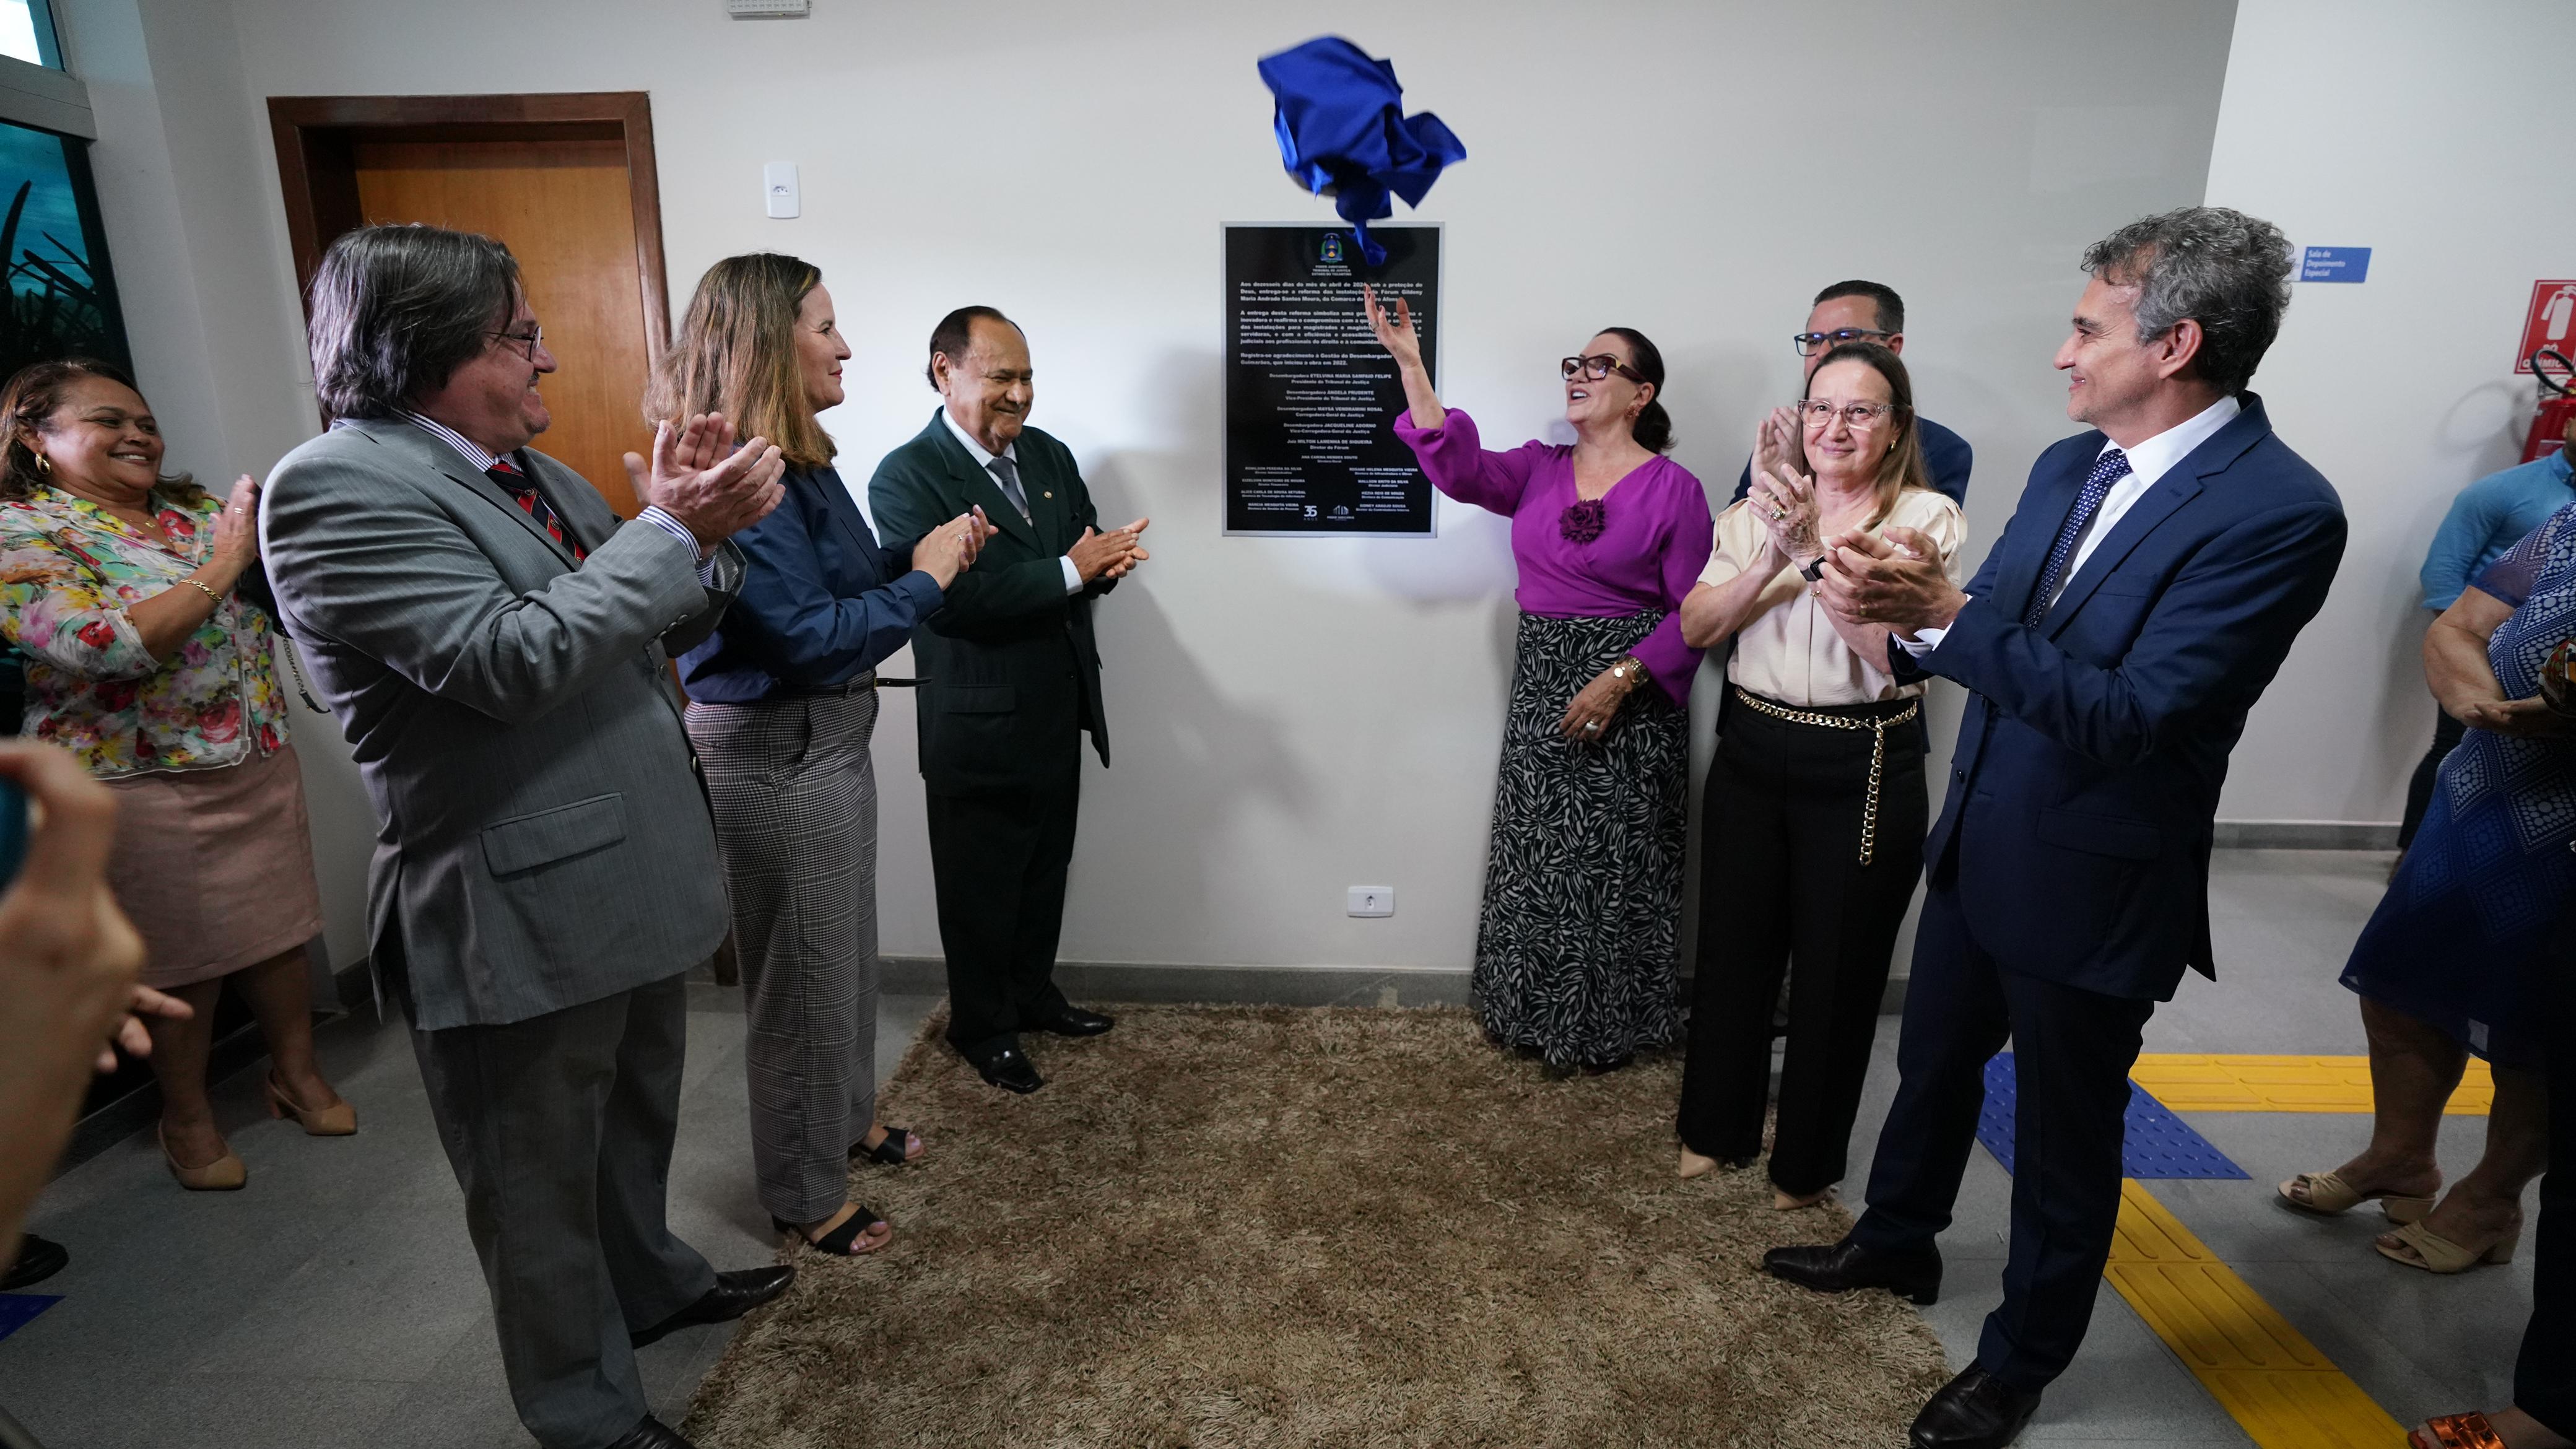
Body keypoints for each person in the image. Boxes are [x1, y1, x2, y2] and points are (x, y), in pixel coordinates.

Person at [1765, 206, 2346, 1449]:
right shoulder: (2064, 464)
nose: (2061, 354)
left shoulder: (2280, 512)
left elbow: (2135, 714)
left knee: (2061, 1136)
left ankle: (2020, 1361)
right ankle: (1896, 1243)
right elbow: (1969, 636)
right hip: (1982, 837)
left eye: (2085, 328)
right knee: (1929, 1068)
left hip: (2094, 878)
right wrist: (1844, 566)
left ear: (2173, 342)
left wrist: (1945, 614)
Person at [260, 223, 793, 1449]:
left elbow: (642, 620)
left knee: (630, 1122)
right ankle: (584, 1413)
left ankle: (653, 1282)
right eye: (518, 336)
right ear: (421, 350)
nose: (545, 361)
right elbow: (510, 660)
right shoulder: (333, 485)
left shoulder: (539, 478)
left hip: (625, 872)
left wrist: (695, 533)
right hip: (511, 900)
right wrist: (668, 533)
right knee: (535, 1184)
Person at [659, 255, 988, 1256]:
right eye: (826, 327)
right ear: (768, 341)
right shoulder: (742, 477)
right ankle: (806, 1198)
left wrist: (922, 553)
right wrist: (925, 587)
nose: (846, 346)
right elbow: (809, 637)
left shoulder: (800, 460)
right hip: (777, 753)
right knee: (798, 988)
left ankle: (848, 1125)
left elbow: (844, 585)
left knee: (838, 963)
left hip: (826, 747)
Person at [0, 359, 351, 1193]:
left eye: (145, 421)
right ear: (34, 440)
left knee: (280, 931)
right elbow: (104, 646)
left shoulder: (191, 512)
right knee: (180, 960)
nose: (138, 435)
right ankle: (186, 1115)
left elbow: (280, 601)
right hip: (139, 781)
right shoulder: (22, 534)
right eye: (107, 420)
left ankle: (294, 1076)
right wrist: (227, 560)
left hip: (255, 757)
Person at [1365, 287, 1713, 1074]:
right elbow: (1453, 467)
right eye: (1574, 363)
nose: (1579, 374)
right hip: (1541, 687)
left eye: (1601, 363)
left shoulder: (1676, 490)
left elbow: (1694, 615)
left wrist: (1619, 681)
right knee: (1538, 855)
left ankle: (1605, 1024)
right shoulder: (1536, 468)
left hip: (1632, 699)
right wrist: (1410, 364)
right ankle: (1527, 1011)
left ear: (1641, 392)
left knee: (1613, 862)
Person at [1673, 342, 1965, 1208]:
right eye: (1820, 408)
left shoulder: (1925, 519)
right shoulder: (1748, 515)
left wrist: (1812, 552)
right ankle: (1712, 1129)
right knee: (1733, 950)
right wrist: (1773, 550)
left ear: (1897, 428)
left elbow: (1893, 656)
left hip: (1865, 758)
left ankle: (1805, 1163)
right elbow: (1696, 627)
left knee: (1838, 970)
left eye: (1861, 411)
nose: (1835, 427)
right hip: (1755, 745)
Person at [2282, 507, 2574, 1279]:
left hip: (2568, 825)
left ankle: (2491, 1199)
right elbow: (2456, 628)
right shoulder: (2566, 527)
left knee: (2534, 1026)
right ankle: (2399, 1158)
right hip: (2484, 789)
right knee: (2400, 982)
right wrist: (2482, 707)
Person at [867, 307, 1144, 1094]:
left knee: (1042, 871)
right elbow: (946, 600)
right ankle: (981, 1027)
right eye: (1001, 378)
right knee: (980, 885)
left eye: (1026, 378)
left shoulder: (1047, 453)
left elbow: (1079, 548)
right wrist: (1070, 570)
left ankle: (1030, 995)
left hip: (1056, 707)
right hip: (977, 725)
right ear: (943, 370)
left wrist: (1106, 563)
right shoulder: (906, 476)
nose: (1019, 395)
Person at [2396, 432, 2576, 855]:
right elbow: (2443, 573)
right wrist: (2469, 653)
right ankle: (2410, 854)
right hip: (2482, 667)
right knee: (2451, 752)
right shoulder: (2505, 489)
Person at [1733, 281, 1973, 510]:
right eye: (1813, 341)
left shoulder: (1941, 449)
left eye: (1845, 338)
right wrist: (1770, 494)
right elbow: (1722, 547)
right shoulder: (1782, 437)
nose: (1822, 353)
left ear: (1892, 347)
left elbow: (1915, 547)